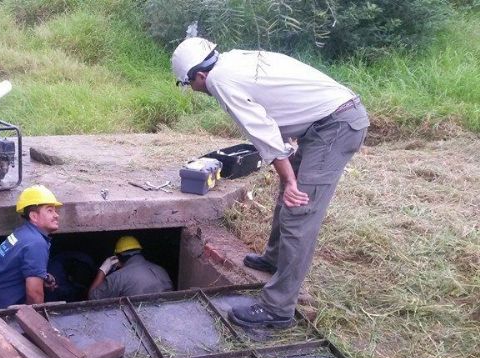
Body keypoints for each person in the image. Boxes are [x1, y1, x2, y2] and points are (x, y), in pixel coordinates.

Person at [171, 38, 369, 329]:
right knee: (287, 197)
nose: (195, 91)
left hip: (335, 127)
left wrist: (290, 178)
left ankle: (278, 309)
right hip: (323, 124)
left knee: (299, 211)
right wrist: (287, 176)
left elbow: (261, 130)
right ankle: (274, 259)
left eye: (189, 84)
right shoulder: (232, 60)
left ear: (200, 75)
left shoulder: (220, 81)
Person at [0, 185, 62, 309]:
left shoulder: (22, 233)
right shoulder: (36, 243)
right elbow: (35, 296)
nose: (56, 215)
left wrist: (43, 276)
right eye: (50, 210)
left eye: (55, 210)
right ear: (34, 216)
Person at [88, 236, 173, 300]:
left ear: (118, 257)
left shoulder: (118, 277)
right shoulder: (161, 270)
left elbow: (92, 297)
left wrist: (102, 270)